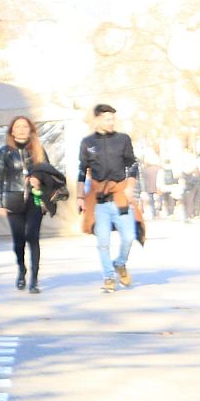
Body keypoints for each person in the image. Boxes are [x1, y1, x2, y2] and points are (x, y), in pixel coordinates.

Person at [78, 103, 142, 293]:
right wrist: (80, 197)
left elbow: (132, 164)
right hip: (99, 201)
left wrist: (130, 185)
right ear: (97, 120)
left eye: (113, 118)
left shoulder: (123, 139)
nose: (111, 122)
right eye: (107, 119)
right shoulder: (87, 142)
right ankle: (108, 276)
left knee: (129, 236)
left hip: (120, 196)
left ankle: (120, 263)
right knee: (103, 241)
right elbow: (82, 170)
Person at [0, 115, 47, 294]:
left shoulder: (38, 150)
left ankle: (34, 279)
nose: (22, 129)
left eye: (25, 126)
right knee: (19, 241)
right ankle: (21, 270)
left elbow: (50, 174)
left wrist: (39, 181)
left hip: (35, 200)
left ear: (30, 129)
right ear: (12, 130)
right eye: (18, 126)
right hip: (13, 200)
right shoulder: (5, 151)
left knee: (32, 236)